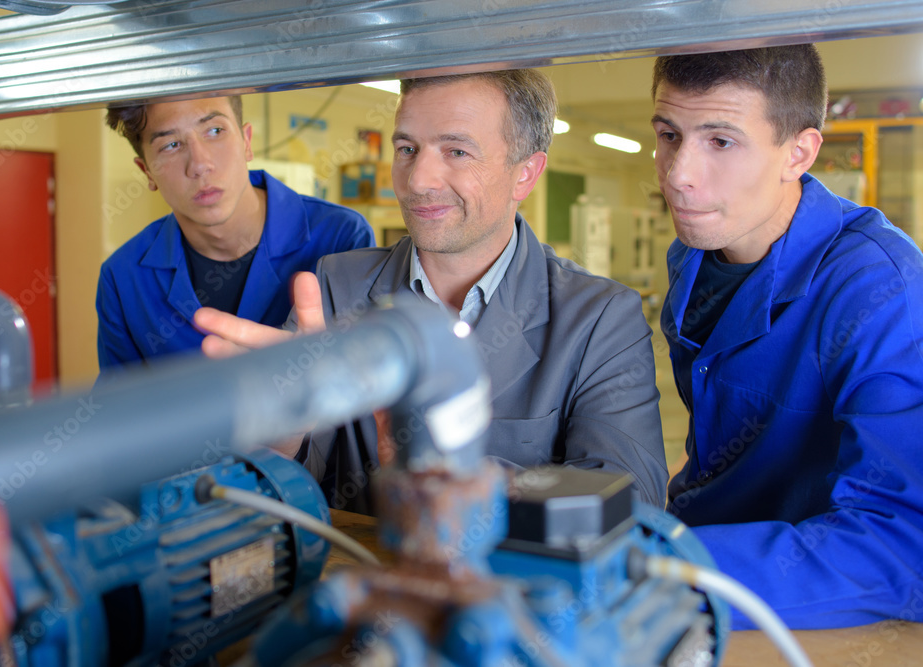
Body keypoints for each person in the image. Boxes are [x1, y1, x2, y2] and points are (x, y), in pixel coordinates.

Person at [197, 69, 669, 515]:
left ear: (525, 173)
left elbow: (630, 501)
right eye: (407, 148)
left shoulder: (600, 319)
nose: (418, 180)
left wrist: (445, 471)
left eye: (456, 152)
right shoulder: (335, 286)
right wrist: (280, 431)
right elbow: (284, 487)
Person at [653, 44, 923, 630]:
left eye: (720, 142)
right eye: (669, 135)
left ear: (798, 153)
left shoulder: (882, 289)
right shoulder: (692, 256)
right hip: (695, 564)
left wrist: (658, 568)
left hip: (797, 605)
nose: (677, 175)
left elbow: (902, 546)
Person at [96, 95, 375, 370]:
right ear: (147, 171)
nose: (200, 165)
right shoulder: (122, 277)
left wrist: (328, 372)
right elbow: (120, 398)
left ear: (246, 142)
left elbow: (375, 380)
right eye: (171, 145)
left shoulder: (342, 237)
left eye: (215, 131)